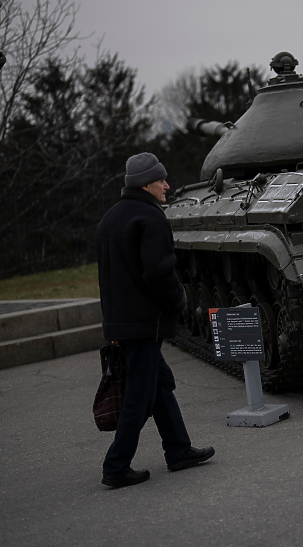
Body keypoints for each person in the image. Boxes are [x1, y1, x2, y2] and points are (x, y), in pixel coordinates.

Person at [96, 152, 214, 488]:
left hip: (122, 321)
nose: (167, 185)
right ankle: (116, 465)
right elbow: (159, 272)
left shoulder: (110, 219)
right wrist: (178, 299)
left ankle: (178, 449)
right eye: (161, 179)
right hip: (144, 322)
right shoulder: (150, 218)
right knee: (140, 394)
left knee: (159, 384)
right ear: (146, 183)